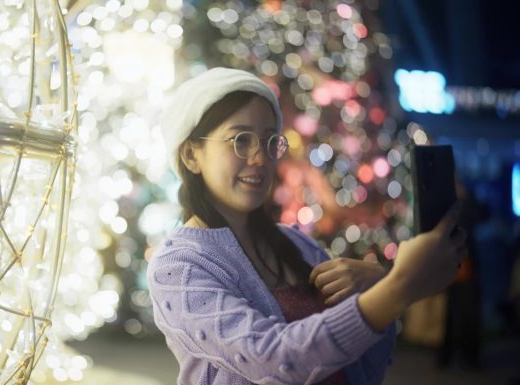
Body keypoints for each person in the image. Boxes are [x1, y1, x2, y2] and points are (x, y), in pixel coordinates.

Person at [147, 67, 467, 385]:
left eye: (270, 141)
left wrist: (373, 287)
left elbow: (365, 369)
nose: (260, 158)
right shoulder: (179, 266)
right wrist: (396, 287)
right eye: (241, 140)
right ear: (191, 155)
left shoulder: (298, 244)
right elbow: (272, 359)